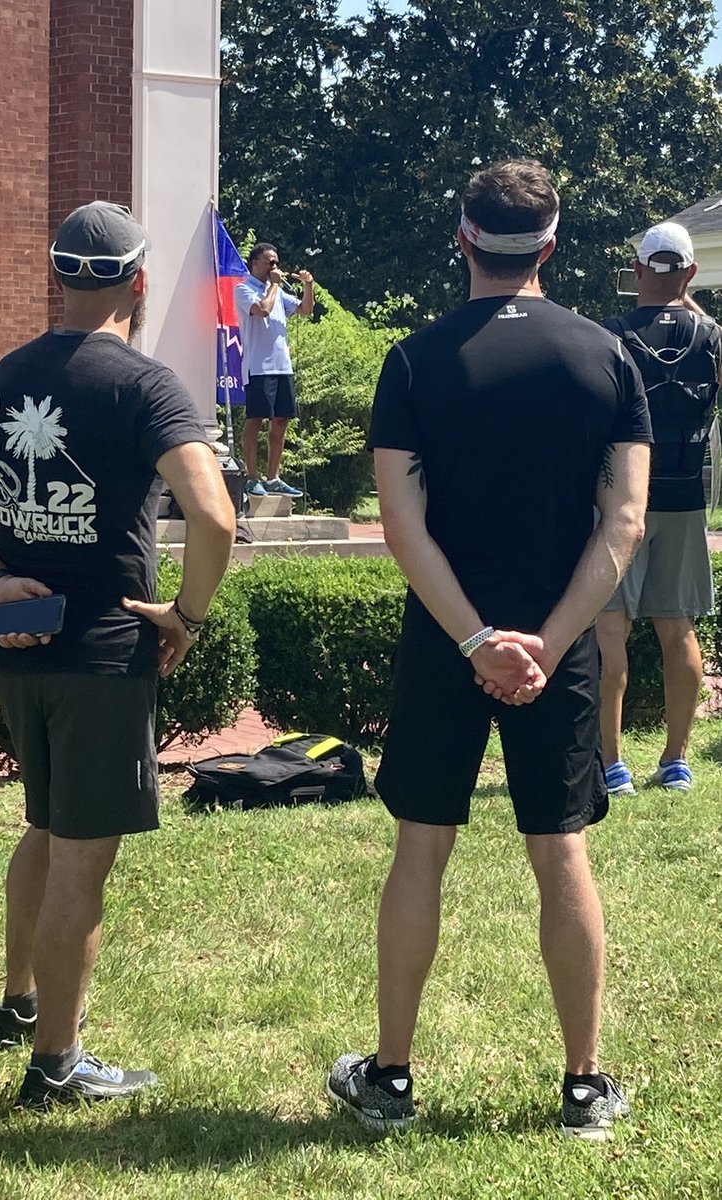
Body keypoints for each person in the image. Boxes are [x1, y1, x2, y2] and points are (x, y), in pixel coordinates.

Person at [326, 160, 651, 1140]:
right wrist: (544, 645)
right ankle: (585, 1090)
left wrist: (473, 639)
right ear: (551, 246)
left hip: (443, 641)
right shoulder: (608, 357)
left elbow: (400, 522)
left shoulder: (416, 362)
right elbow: (625, 521)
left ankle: (388, 1079)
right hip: (557, 647)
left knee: (420, 849)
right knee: (562, 853)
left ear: (461, 239)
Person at [0, 201, 236, 1110]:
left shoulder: (2, 377)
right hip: (104, 653)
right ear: (139, 282)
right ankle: (56, 1064)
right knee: (81, 858)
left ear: (57, 279)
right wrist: (189, 614)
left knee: (48, 824)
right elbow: (213, 515)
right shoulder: (146, 387)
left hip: (18, 644)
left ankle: (20, 1005)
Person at [597, 222, 721, 796]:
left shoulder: (611, 335)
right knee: (679, 630)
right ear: (691, 273)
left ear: (638, 271)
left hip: (621, 499)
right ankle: (675, 761)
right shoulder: (713, 337)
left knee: (610, 631)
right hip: (684, 497)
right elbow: (685, 313)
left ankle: (611, 764)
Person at [233, 242, 314, 497]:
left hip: (282, 367)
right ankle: (252, 477)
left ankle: (273, 477)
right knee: (255, 421)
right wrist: (275, 285)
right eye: (270, 262)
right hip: (258, 367)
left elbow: (305, 310)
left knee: (280, 421)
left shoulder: (276, 291)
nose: (275, 267)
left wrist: (308, 285)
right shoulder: (244, 289)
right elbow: (263, 310)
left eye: (277, 262)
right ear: (256, 263)